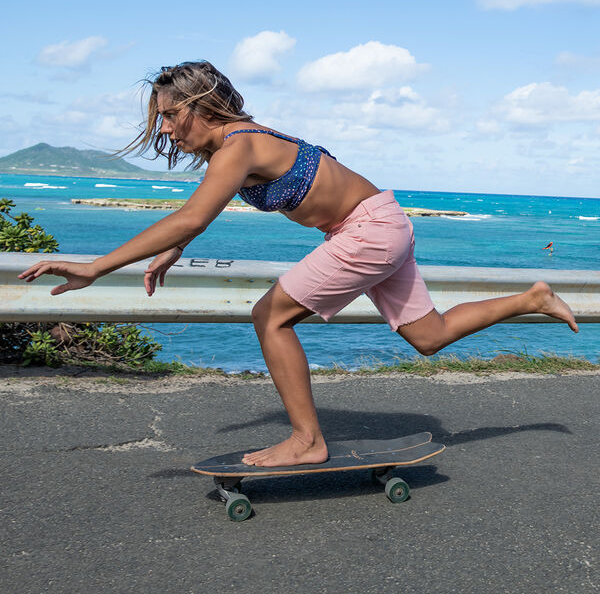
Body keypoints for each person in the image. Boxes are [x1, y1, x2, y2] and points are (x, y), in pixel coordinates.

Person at [19, 61, 579, 468]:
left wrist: (97, 265)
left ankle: (308, 441)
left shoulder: (239, 144)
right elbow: (199, 214)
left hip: (367, 230)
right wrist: (177, 246)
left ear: (199, 105)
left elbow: (191, 215)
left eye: (168, 116)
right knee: (428, 336)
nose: (164, 129)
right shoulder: (237, 145)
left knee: (270, 317)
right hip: (380, 221)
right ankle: (531, 297)